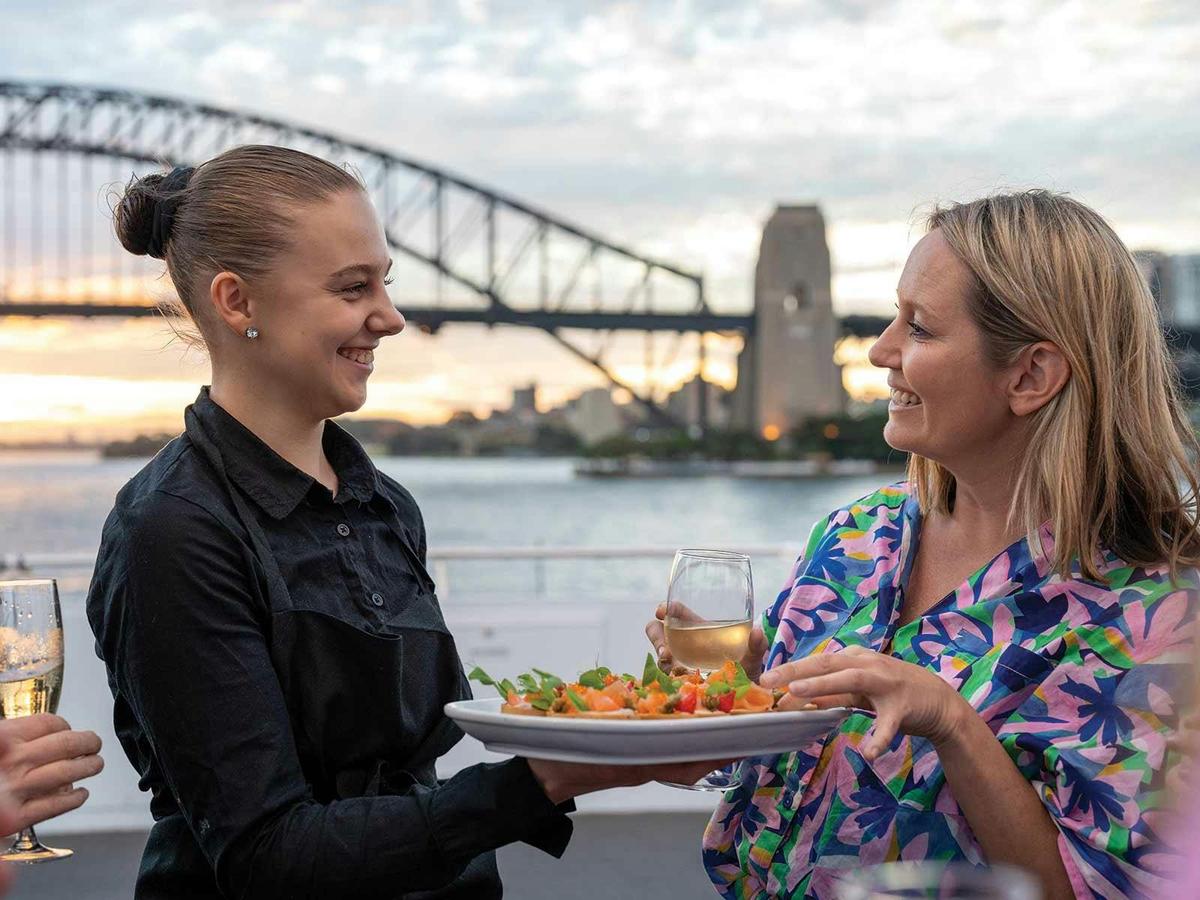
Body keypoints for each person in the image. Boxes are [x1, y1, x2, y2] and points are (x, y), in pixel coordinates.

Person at [86, 145, 720, 899]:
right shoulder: (173, 533)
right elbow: (266, 856)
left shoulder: (382, 504)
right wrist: (547, 780)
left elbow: (405, 772)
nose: (389, 317)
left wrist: (631, 715)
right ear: (237, 301)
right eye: (354, 288)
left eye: (385, 282)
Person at [650, 190, 1200, 899]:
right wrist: (736, 696)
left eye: (920, 328)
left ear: (1030, 375)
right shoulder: (854, 538)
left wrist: (951, 722)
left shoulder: (1157, 618)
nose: (879, 350)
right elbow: (755, 775)